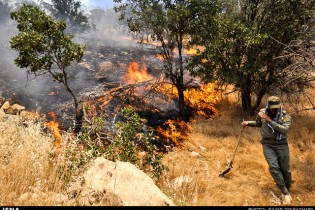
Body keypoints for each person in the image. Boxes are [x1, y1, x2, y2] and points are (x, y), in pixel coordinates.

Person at [241, 96, 292, 205]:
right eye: (272, 107)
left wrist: (269, 120)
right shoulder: (262, 112)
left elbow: (284, 130)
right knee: (273, 167)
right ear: (268, 106)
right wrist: (248, 123)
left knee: (285, 169)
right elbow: (258, 123)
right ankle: (284, 191)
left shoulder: (285, 115)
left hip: (281, 144)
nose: (274, 110)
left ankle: (287, 187)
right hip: (267, 144)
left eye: (276, 108)